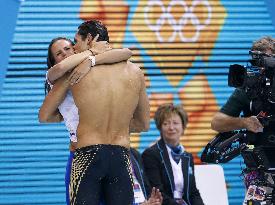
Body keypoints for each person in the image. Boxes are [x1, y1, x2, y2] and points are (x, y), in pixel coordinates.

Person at [39, 35, 133, 205]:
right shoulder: (55, 78)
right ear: (53, 60)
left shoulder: (90, 67)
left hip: (111, 153)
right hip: (80, 154)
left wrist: (91, 59)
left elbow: (126, 53)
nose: (65, 54)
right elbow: (60, 68)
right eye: (59, 53)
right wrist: (91, 52)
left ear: (75, 48)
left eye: (67, 49)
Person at [69, 19, 150, 205]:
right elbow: (144, 124)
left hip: (88, 154)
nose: (74, 47)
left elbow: (46, 113)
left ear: (89, 39)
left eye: (76, 41)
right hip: (120, 156)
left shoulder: (78, 71)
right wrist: (117, 126)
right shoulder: (135, 71)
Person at [210, 36, 275, 204]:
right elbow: (216, 122)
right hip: (259, 172)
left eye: (266, 61)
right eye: (256, 61)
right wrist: (244, 122)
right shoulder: (248, 88)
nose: (261, 67)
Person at [142, 103, 204, 205]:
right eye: (166, 123)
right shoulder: (151, 155)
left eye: (175, 123)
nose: (171, 127)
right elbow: (158, 193)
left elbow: (193, 192)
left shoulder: (187, 157)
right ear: (160, 128)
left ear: (183, 126)